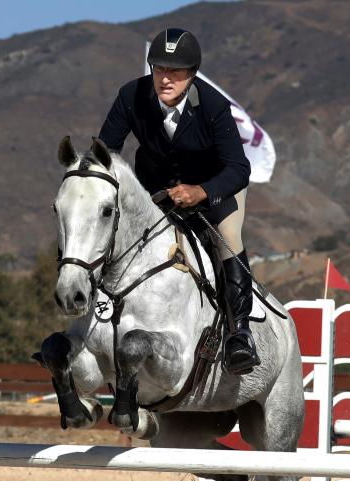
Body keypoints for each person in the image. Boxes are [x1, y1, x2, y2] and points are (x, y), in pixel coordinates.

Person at [98, 28, 259, 375]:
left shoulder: (214, 106)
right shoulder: (131, 95)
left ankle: (240, 333)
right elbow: (106, 151)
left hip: (216, 187)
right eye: (158, 69)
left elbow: (239, 168)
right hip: (156, 190)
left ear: (192, 74)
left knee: (228, 237)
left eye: (175, 72)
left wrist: (201, 191)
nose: (165, 78)